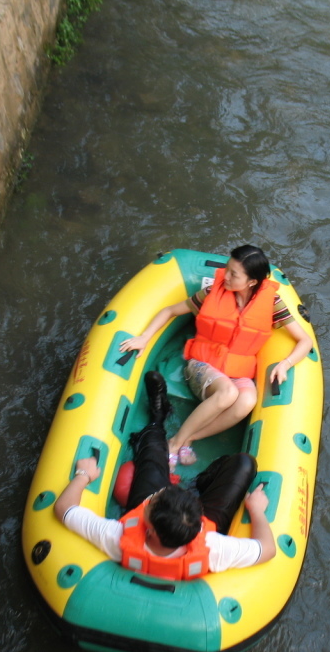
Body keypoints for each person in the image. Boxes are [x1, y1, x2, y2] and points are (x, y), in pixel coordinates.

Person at [53, 372, 276, 579]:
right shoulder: (215, 548)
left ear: (149, 530)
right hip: (194, 522)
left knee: (151, 456)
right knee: (244, 463)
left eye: (151, 502)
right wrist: (256, 510)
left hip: (173, 523)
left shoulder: (116, 538)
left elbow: (64, 509)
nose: (153, 496)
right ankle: (165, 426)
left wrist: (83, 475)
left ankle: (156, 421)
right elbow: (267, 549)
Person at [119, 245, 313, 470]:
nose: (226, 276)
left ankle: (190, 438)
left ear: (251, 282)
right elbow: (170, 310)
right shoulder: (213, 292)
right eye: (227, 269)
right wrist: (144, 337)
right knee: (228, 393)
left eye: (234, 274)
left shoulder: (272, 303)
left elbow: (304, 340)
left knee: (247, 401)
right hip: (201, 364)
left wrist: (285, 364)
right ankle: (174, 443)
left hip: (236, 371)